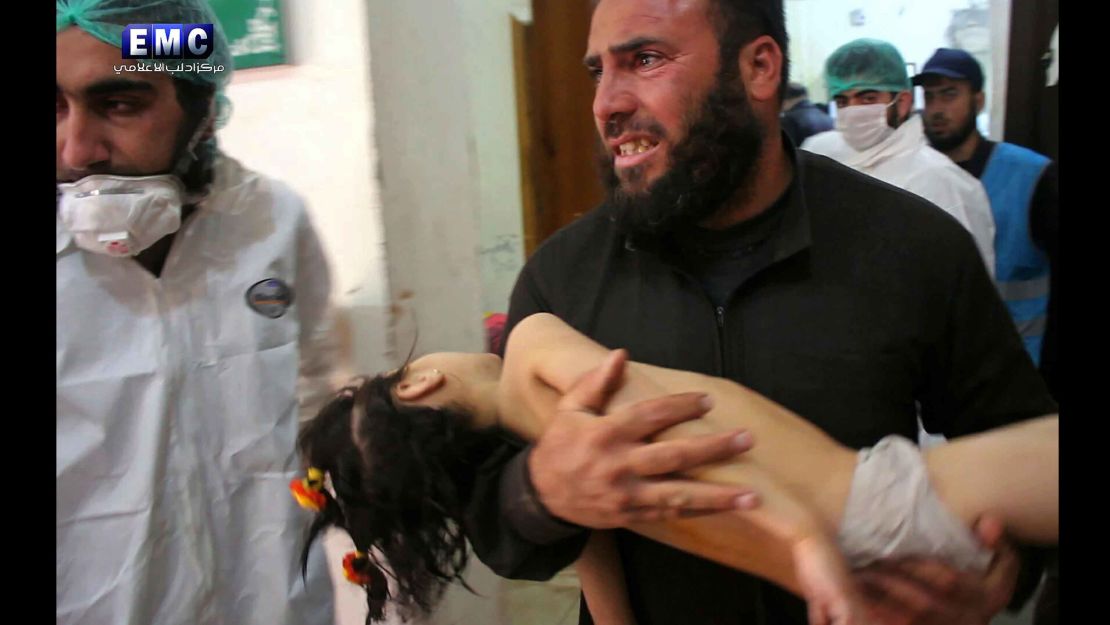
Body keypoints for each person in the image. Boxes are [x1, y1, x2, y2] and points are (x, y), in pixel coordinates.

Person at [461, 2, 1058, 624]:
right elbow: (495, 531)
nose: (606, 103)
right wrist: (543, 491)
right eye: (598, 72)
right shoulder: (562, 282)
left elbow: (1026, 454)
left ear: (760, 67)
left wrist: (998, 574)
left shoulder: (913, 248)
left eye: (645, 59)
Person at [292, 312, 1059, 625]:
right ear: (420, 383)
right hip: (876, 502)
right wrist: (802, 537)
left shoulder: (570, 477)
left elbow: (609, 603)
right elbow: (676, 432)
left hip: (867, 568)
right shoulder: (533, 348)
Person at [57, 2, 341, 624]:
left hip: (273, 604)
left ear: (203, 110)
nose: (78, 148)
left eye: (120, 103)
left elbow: (318, 402)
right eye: (55, 107)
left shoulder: (269, 223)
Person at [914, 47, 1058, 388]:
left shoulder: (1032, 176)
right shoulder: (915, 177)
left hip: (1021, 373)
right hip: (941, 377)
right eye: (930, 97)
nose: (936, 109)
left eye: (950, 95)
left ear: (978, 101)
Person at [801, 39, 996, 277]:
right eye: (842, 101)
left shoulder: (943, 184)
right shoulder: (820, 154)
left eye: (868, 98)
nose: (852, 111)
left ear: (902, 103)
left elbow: (969, 290)